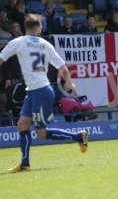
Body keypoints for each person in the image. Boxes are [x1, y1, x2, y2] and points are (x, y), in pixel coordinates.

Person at [0, 14, 88, 173]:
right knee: (22, 124)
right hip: (36, 90)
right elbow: (63, 68)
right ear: (39, 27)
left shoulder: (18, 42)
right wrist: (69, 84)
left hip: (40, 91)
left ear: (25, 27)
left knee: (41, 133)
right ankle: (25, 163)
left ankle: (78, 137)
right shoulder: (45, 44)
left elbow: (1, 58)